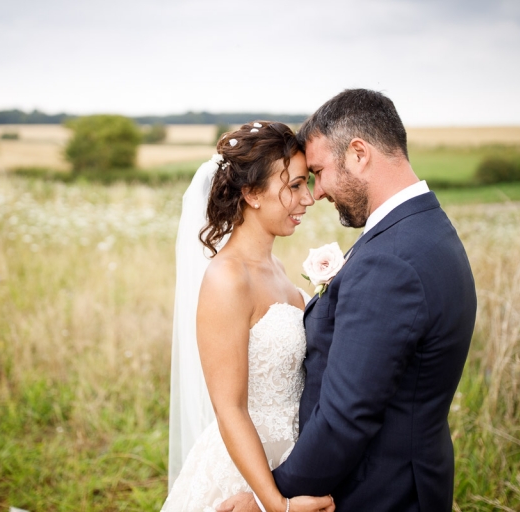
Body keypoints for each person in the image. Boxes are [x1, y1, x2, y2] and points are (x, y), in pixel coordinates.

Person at [218, 90, 477, 512]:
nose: (316, 193)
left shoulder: (390, 261)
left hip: (378, 493)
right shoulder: (427, 229)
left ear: (358, 154)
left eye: (318, 172)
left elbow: (346, 416)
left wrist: (272, 501)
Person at [163, 121, 335, 512]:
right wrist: (275, 504)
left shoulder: (275, 265)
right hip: (246, 472)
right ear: (252, 194)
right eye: (293, 185)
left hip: (292, 457)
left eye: (306, 183)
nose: (307, 199)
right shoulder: (227, 278)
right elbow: (230, 408)